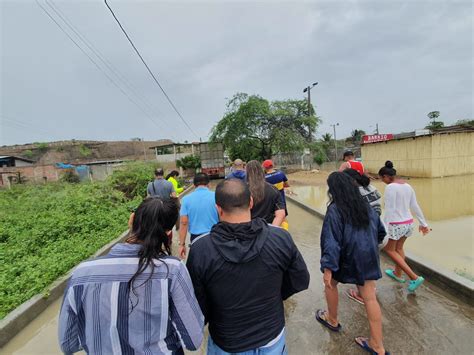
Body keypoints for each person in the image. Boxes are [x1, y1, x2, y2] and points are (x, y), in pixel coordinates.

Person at [58, 197, 204, 354]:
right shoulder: (173, 270)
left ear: (132, 219)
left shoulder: (81, 273)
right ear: (168, 233)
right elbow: (193, 341)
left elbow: (68, 344)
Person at [186, 179, 310, 354]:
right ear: (251, 202)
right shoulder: (280, 238)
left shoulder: (201, 249)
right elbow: (300, 279)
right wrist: (272, 295)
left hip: (227, 341)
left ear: (218, 208)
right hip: (272, 336)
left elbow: (198, 303)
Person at [317, 172, 388, 355]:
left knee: (330, 284)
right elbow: (380, 232)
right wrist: (370, 247)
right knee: (370, 298)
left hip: (346, 256)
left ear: (334, 190)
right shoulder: (366, 206)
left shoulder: (335, 209)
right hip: (368, 256)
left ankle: (332, 319)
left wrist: (328, 268)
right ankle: (377, 346)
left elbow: (331, 241)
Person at [379, 161, 430, 293]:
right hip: (408, 223)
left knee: (389, 250)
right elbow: (415, 205)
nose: (382, 181)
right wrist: (423, 223)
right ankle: (397, 273)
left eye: (381, 178)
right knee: (399, 248)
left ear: (385, 176)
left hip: (396, 224)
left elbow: (390, 209)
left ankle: (414, 277)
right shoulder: (408, 186)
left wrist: (384, 227)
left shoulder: (390, 187)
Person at [343, 168, 384, 305]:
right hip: (376, 229)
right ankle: (370, 288)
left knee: (359, 264)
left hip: (364, 233)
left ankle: (362, 294)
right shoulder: (371, 187)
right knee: (371, 261)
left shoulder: (355, 194)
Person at [178, 173, 219, 259]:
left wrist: (182, 244)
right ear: (209, 184)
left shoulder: (186, 199)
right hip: (215, 236)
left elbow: (184, 222)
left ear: (193, 185)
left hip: (196, 239)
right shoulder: (216, 196)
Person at [246, 160, 285, 226]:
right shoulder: (273, 189)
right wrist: (272, 230)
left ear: (247, 173)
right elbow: (281, 214)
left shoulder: (242, 190)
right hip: (268, 226)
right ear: (262, 171)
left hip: (249, 229)